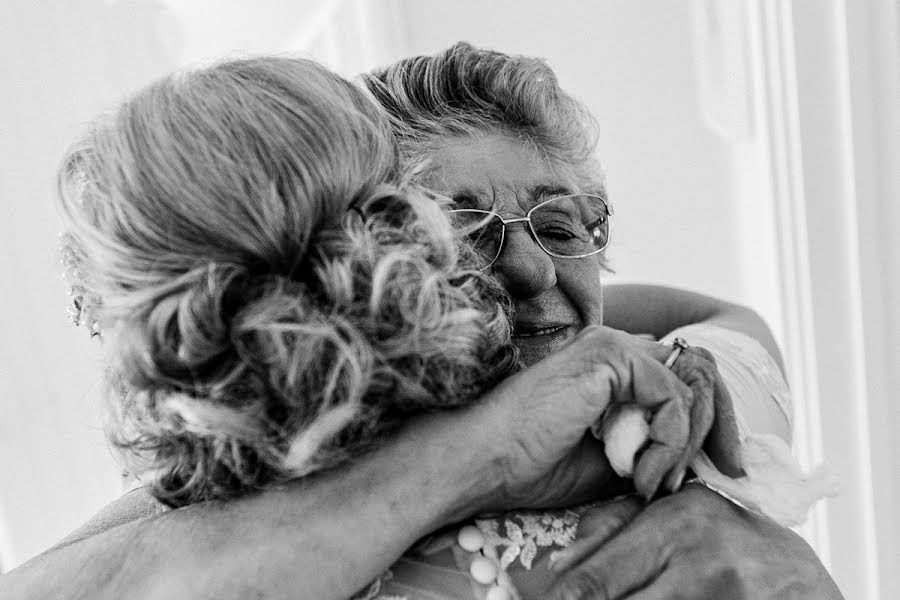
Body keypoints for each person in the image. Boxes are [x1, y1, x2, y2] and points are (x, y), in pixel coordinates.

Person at [0, 52, 841, 600]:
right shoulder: (253, 531)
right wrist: (491, 446)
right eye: (464, 233)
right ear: (374, 279)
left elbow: (724, 319)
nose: (536, 268)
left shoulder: (667, 394)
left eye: (561, 226)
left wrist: (611, 354)